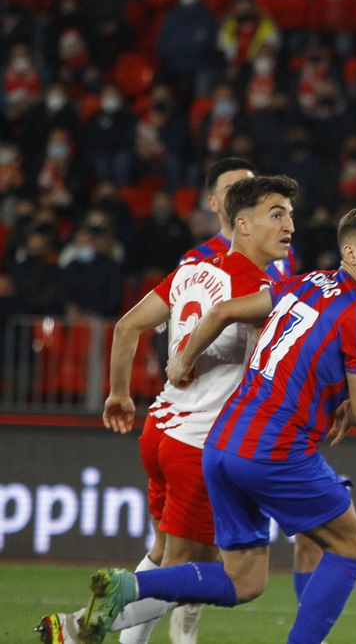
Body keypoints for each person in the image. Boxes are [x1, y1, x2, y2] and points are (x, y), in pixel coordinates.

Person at [73, 204, 356, 644]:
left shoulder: (301, 284)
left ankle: (129, 587)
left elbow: (223, 311)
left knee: (243, 581)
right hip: (275, 450)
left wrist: (184, 359)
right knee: (350, 544)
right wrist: (354, 401)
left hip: (223, 445)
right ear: (350, 252)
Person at [36, 176, 299, 644]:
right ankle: (75, 628)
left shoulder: (191, 272)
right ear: (242, 224)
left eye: (290, 214)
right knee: (190, 570)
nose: (289, 225)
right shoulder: (258, 292)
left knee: (163, 556)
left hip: (159, 430)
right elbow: (272, 375)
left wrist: (119, 393)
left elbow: (126, 327)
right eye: (276, 215)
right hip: (198, 444)